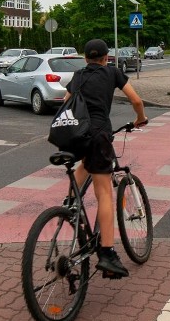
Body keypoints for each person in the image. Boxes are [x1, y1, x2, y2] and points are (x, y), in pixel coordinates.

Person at [63, 38, 148, 278]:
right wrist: (140, 118)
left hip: (76, 135)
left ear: (86, 58)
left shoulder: (78, 75)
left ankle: (69, 204)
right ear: (105, 57)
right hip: (99, 135)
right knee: (104, 194)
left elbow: (66, 102)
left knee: (85, 164)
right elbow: (136, 100)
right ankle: (108, 253)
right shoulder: (112, 73)